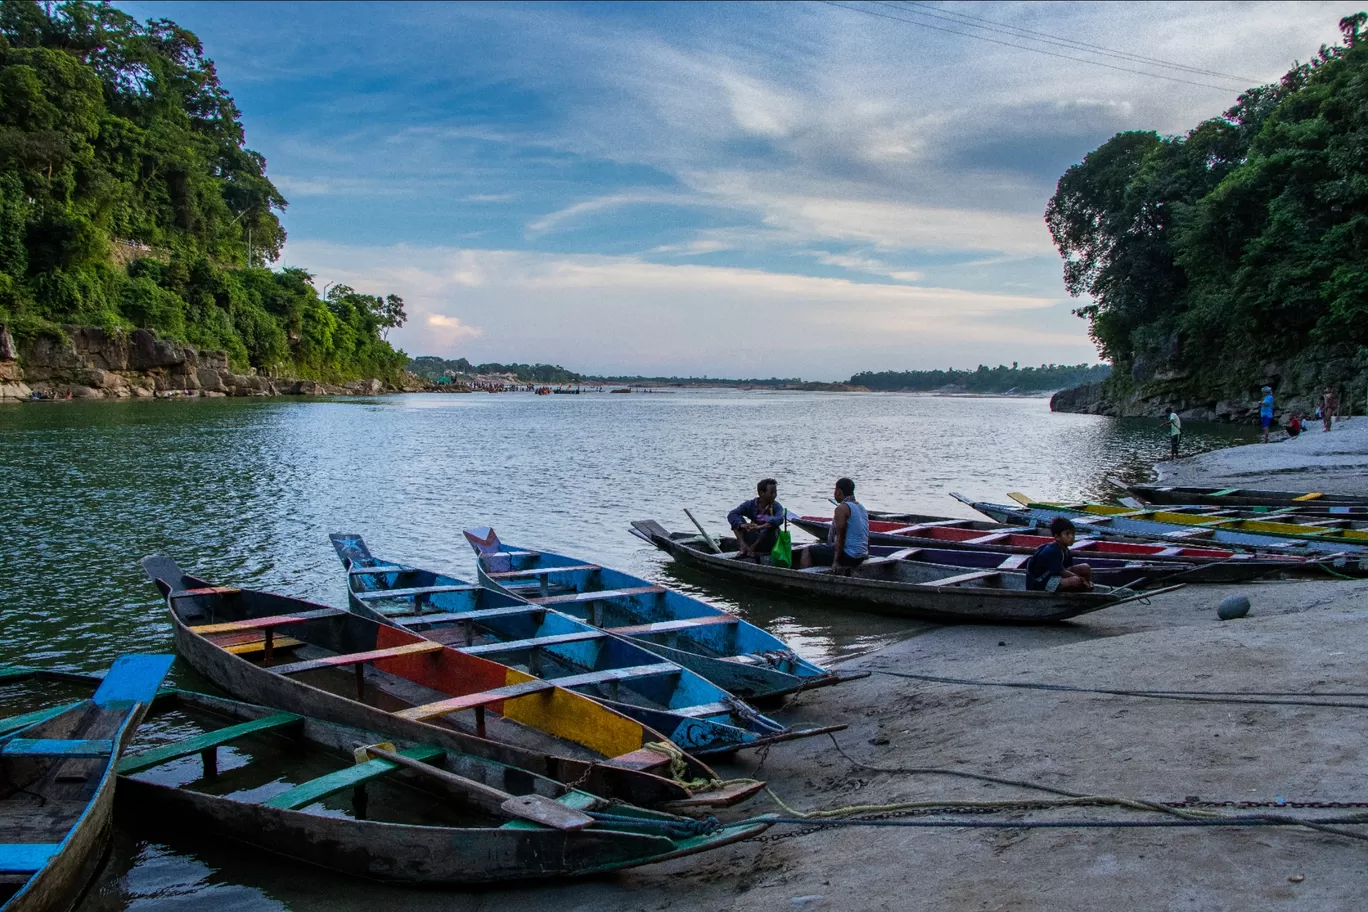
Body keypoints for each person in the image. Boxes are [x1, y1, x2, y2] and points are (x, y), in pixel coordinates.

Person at [798, 477, 869, 572]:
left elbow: (840, 537)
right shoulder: (861, 508)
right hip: (861, 556)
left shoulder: (842, 508)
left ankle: (806, 580)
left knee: (807, 551)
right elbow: (866, 534)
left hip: (849, 556)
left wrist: (836, 562)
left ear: (839, 491)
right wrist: (866, 554)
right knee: (822, 549)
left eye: (835, 490)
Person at [1025, 516, 1093, 592]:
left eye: (1073, 533)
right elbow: (1062, 572)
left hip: (1054, 576)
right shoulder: (1052, 551)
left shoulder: (1065, 550)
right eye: (1067, 534)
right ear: (1057, 537)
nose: (1071, 537)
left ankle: (1085, 590)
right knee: (1075, 581)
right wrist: (1082, 580)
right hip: (1041, 583)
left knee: (1085, 567)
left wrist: (1085, 580)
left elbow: (1068, 568)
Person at [727, 478, 785, 560]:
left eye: (775, 492)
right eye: (771, 492)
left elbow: (779, 519)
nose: (774, 495)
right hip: (754, 537)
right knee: (736, 520)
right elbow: (732, 514)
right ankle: (743, 546)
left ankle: (753, 548)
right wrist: (742, 525)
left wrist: (760, 527)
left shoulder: (776, 506)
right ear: (761, 493)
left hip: (769, 542)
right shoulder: (750, 504)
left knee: (770, 526)